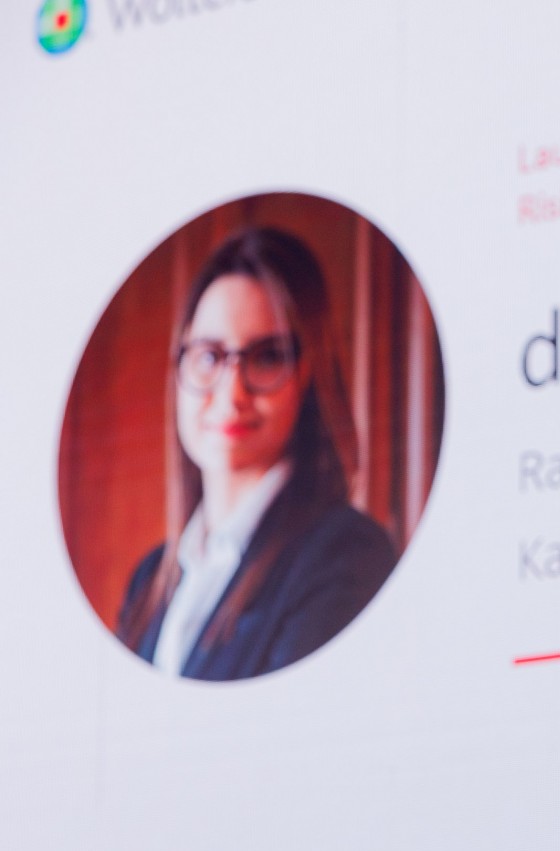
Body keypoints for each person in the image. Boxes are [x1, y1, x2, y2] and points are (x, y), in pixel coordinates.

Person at [116, 227, 396, 681]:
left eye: (266, 357)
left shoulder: (345, 555)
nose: (232, 393)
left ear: (307, 375)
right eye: (209, 357)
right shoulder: (148, 580)